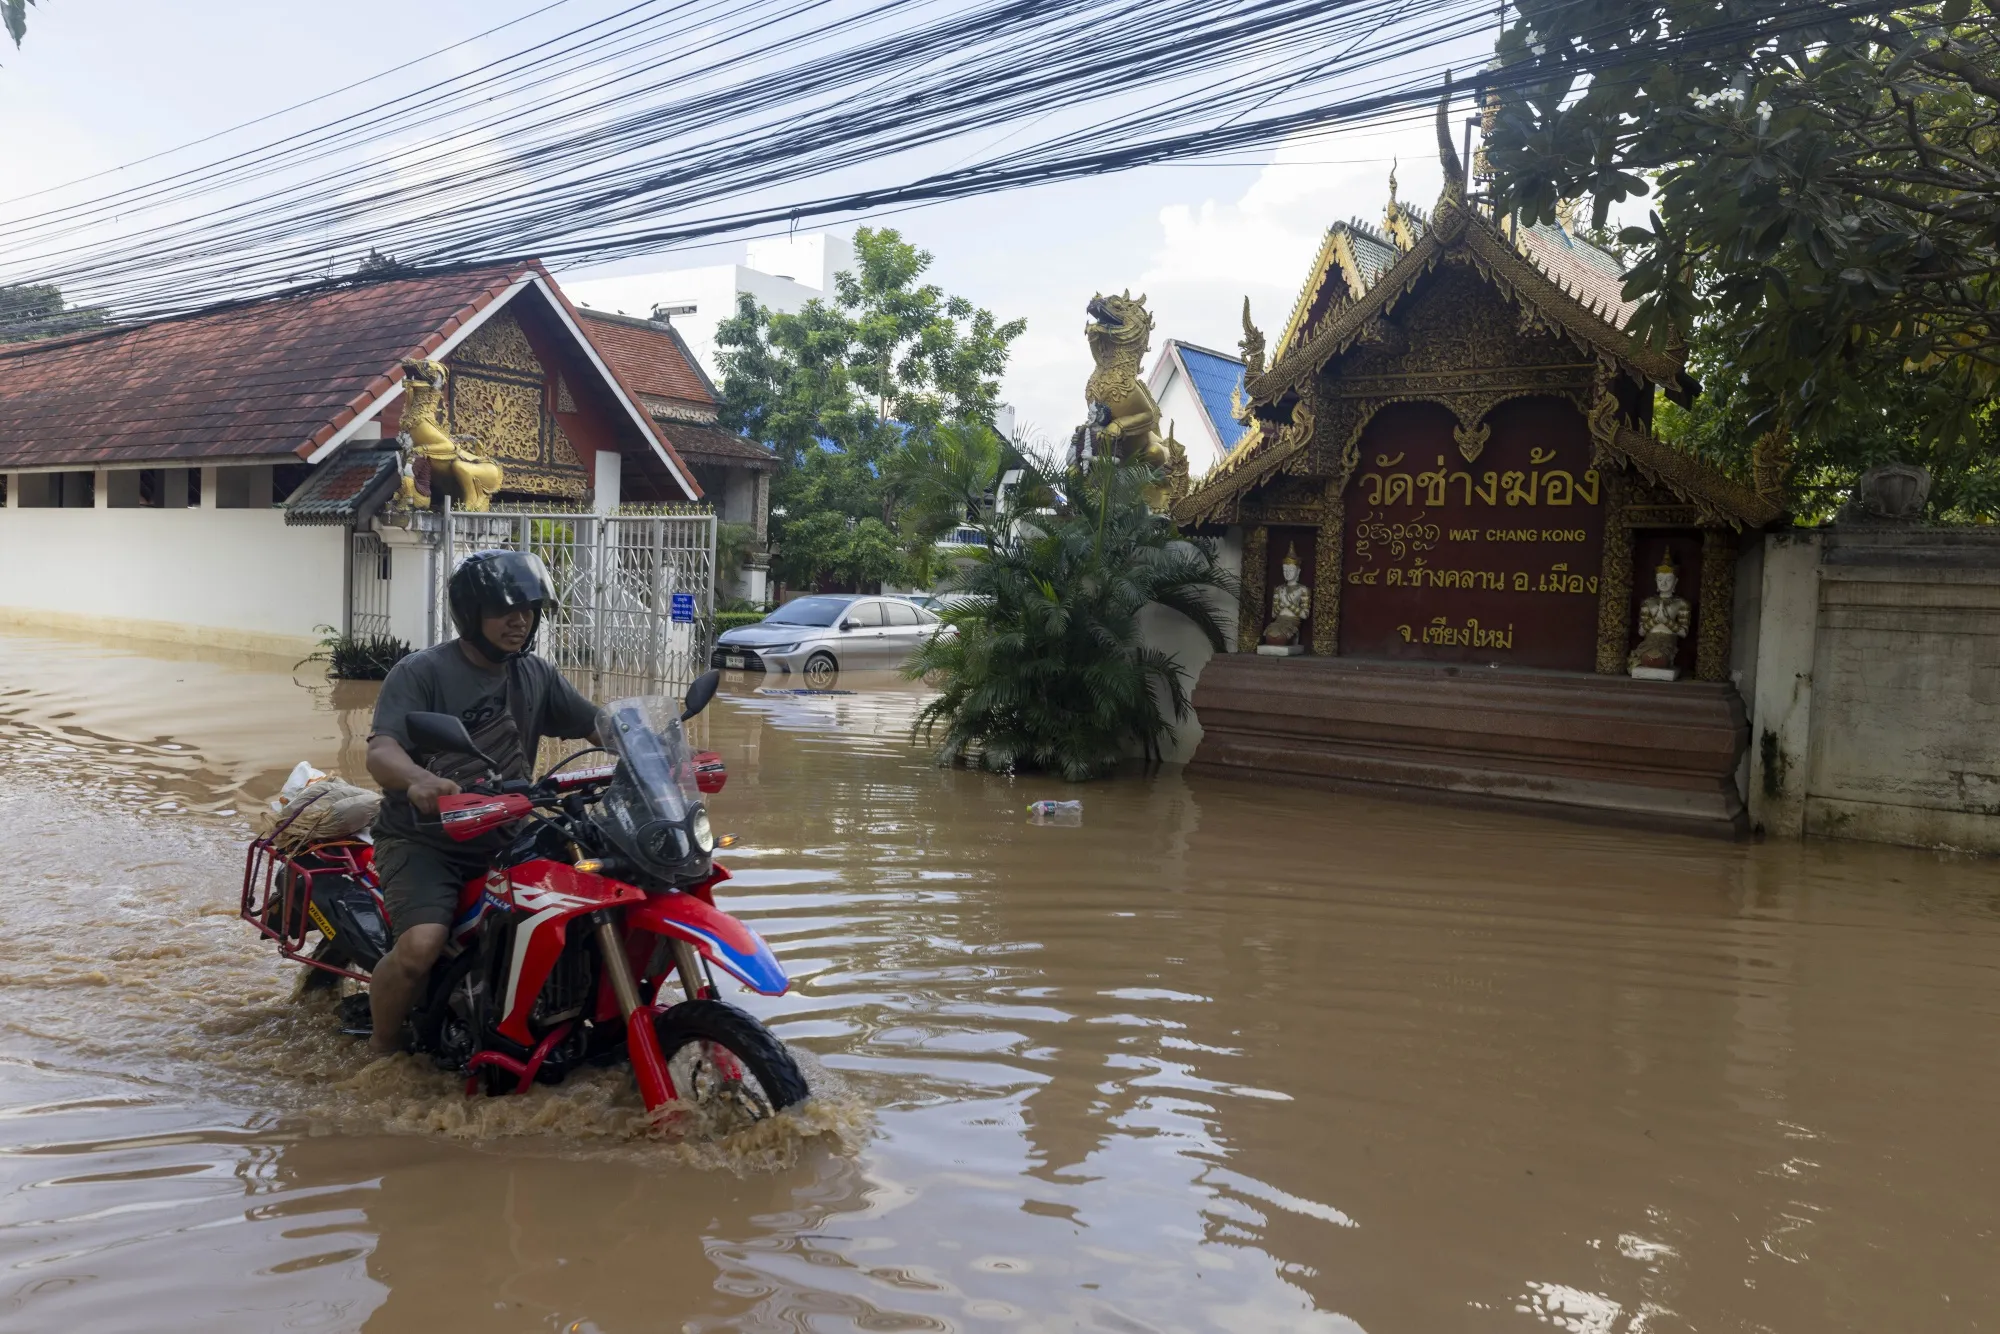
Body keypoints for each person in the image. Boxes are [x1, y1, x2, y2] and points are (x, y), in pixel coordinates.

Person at [363, 549, 598, 1057]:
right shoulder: (421, 672)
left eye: (529, 610)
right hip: (426, 839)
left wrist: (655, 745)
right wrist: (418, 779)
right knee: (421, 946)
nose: (519, 621)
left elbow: (596, 723)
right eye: (504, 610)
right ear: (472, 615)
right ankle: (382, 1050)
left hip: (510, 831)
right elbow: (382, 750)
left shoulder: (534, 673)